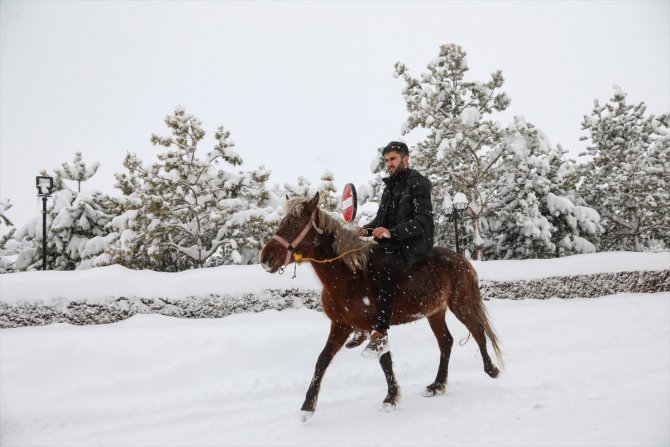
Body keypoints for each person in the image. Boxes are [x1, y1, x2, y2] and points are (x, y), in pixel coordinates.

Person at [351, 141, 434, 359]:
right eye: (386, 160)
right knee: (359, 263)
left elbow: (423, 221)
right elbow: (381, 221)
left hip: (413, 246)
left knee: (385, 269)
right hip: (391, 244)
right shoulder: (390, 187)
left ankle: (380, 334)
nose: (388, 164)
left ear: (405, 159)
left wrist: (392, 233)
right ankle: (361, 322)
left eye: (393, 159)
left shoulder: (418, 184)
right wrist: (365, 230)